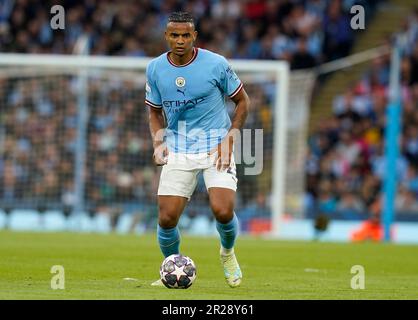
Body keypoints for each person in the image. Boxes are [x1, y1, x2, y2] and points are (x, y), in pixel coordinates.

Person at [145, 12, 250, 288]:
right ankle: (172, 267)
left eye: (185, 35)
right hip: (179, 148)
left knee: (223, 210)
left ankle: (227, 254)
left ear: (194, 37)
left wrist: (231, 137)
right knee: (166, 218)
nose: (180, 41)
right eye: (174, 35)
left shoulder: (216, 64)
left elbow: (243, 102)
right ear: (166, 36)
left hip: (216, 145)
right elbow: (154, 112)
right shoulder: (155, 69)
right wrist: (158, 143)